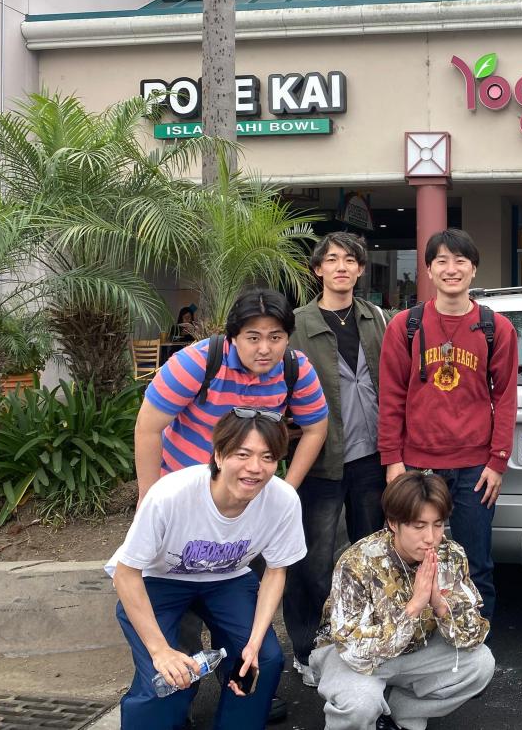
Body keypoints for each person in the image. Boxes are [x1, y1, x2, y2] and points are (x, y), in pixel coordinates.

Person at [109, 409, 306, 729]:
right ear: (219, 454)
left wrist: (254, 642)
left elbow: (275, 572)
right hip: (159, 578)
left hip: (227, 579)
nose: (255, 468)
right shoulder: (171, 495)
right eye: (243, 454)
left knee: (263, 661)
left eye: (268, 457)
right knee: (168, 677)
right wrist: (160, 651)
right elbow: (125, 573)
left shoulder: (282, 500)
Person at [378, 228, 519, 623]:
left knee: (476, 562)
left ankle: (476, 641)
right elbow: (390, 397)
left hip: (476, 468)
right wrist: (393, 459)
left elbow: (505, 398)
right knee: (412, 559)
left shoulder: (497, 328)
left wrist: (498, 461)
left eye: (460, 261)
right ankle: (417, 638)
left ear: (473, 270)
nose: (451, 268)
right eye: (441, 260)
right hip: (417, 467)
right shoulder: (404, 326)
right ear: (428, 269)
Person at [284, 232, 392, 687]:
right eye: (333, 260)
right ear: (318, 270)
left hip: (371, 457)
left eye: (351, 260)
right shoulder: (296, 323)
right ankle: (307, 650)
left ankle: (366, 641)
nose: (342, 267)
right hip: (322, 462)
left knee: (371, 555)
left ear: (361, 270)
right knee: (312, 560)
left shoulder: (377, 319)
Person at [309, 471, 495, 730]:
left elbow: (474, 635)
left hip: (414, 651)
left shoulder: (450, 555)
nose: (430, 537)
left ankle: (402, 713)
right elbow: (354, 651)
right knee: (360, 703)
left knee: (481, 664)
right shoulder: (358, 562)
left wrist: (441, 606)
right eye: (419, 526)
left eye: (438, 524)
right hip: (352, 656)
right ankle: (363, 715)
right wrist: (414, 607)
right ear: (393, 523)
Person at [134, 287, 329, 500]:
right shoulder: (195, 363)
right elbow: (148, 427)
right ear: (234, 337)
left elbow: (316, 429)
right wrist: (148, 499)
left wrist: (286, 491)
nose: (265, 348)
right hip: (184, 491)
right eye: (253, 338)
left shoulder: (296, 369)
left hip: (250, 493)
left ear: (287, 338)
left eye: (275, 337)